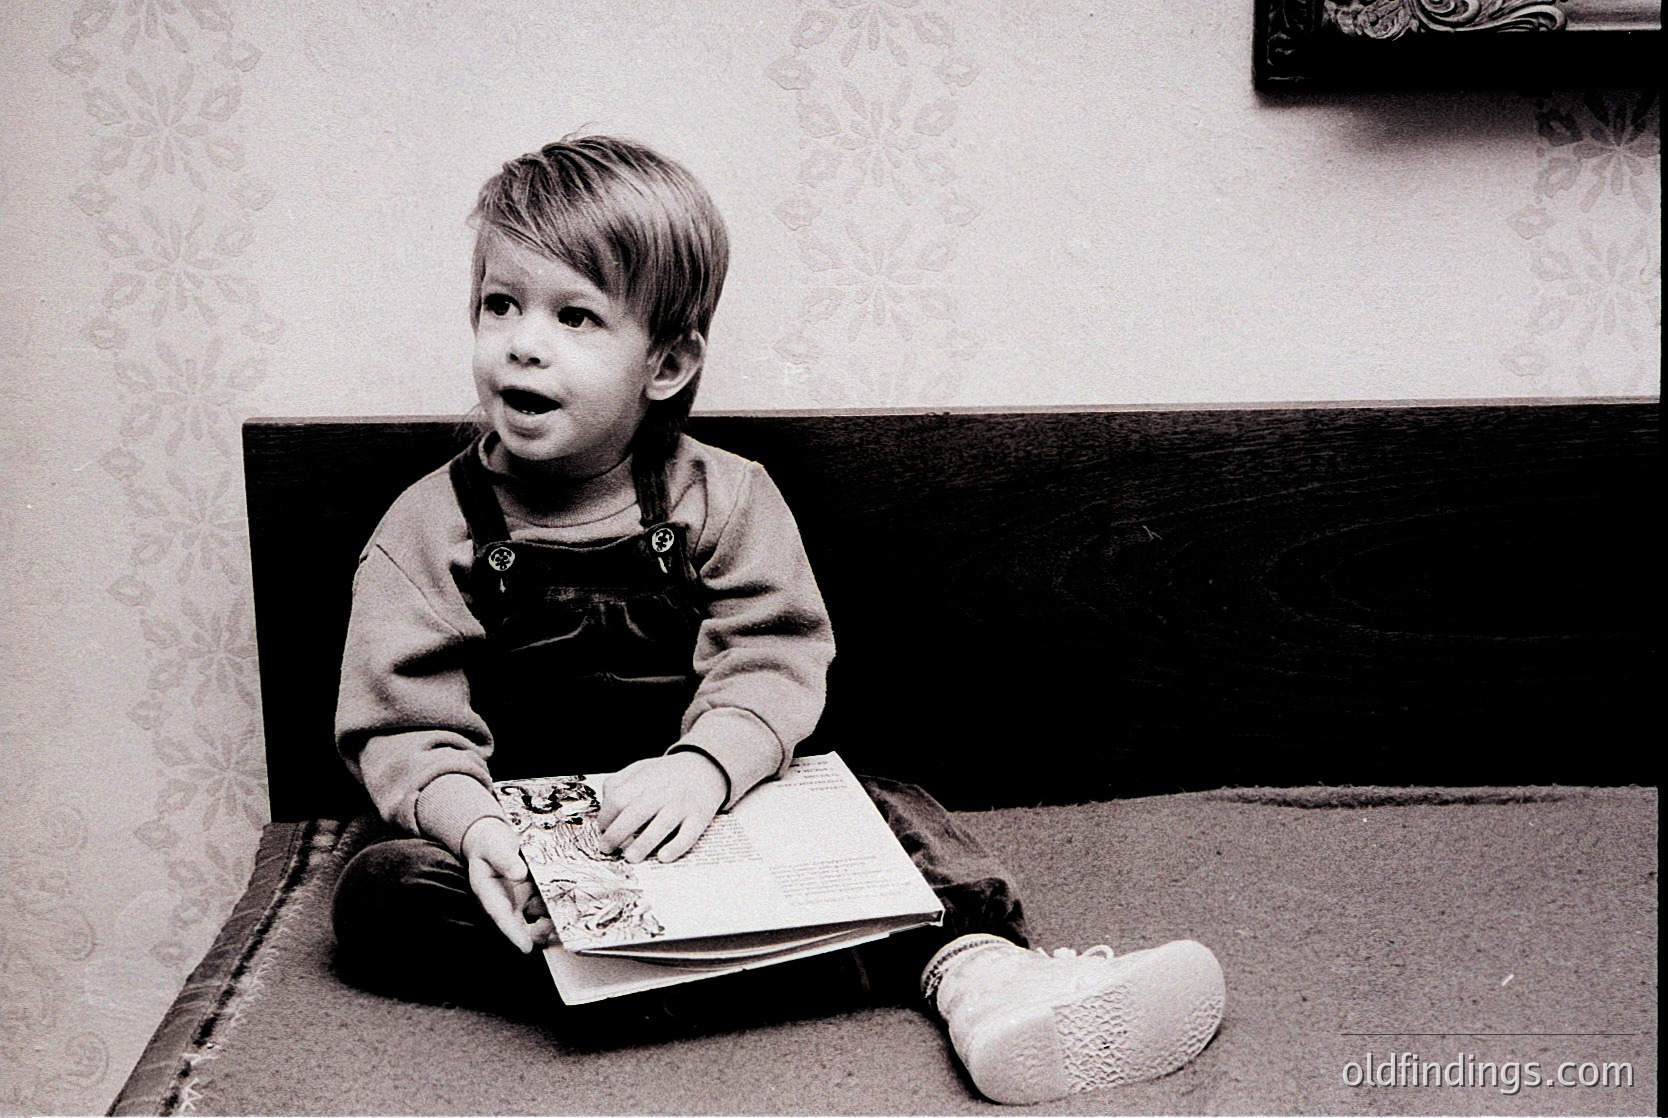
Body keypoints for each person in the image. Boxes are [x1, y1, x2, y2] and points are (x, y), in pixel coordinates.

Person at [330, 134, 1224, 1105]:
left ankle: (984, 973)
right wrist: (477, 832)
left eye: (576, 315)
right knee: (380, 891)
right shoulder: (428, 527)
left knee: (891, 800)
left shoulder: (726, 498)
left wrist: (706, 765)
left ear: (665, 363)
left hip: (715, 818)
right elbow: (405, 725)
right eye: (499, 304)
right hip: (545, 858)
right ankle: (763, 966)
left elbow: (774, 656)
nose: (524, 340)